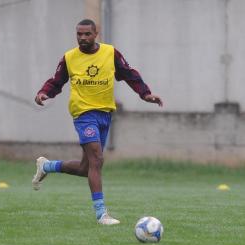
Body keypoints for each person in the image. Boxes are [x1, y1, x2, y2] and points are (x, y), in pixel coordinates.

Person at [32, 19, 163, 225]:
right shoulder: (69, 58)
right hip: (83, 114)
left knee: (87, 168)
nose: (82, 38)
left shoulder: (111, 54)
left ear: (96, 34)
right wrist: (43, 93)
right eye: (79, 34)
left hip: (104, 113)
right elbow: (56, 80)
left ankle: (47, 166)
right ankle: (102, 214)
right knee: (96, 160)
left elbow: (130, 74)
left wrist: (145, 94)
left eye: (87, 34)